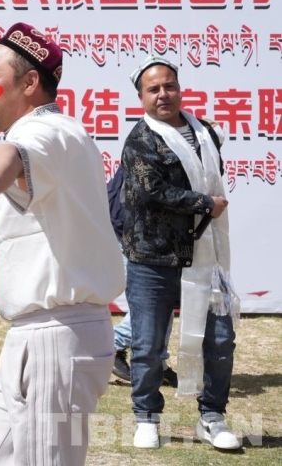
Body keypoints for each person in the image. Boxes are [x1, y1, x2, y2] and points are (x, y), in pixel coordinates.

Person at [0, 22, 125, 466]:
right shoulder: (58, 134)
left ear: (29, 83)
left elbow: (12, 154)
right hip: (39, 336)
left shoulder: (49, 132)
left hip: (56, 336)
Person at [122, 55, 239, 450]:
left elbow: (212, 175)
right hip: (152, 259)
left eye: (169, 85)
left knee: (219, 341)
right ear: (141, 97)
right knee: (148, 347)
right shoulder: (140, 140)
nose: (163, 94)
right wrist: (205, 204)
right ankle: (146, 417)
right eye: (153, 89)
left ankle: (212, 417)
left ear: (180, 89)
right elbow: (151, 192)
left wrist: (208, 204)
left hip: (205, 255)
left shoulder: (203, 131)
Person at [106, 166, 177, 388]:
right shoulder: (155, 151)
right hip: (138, 236)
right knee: (154, 303)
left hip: (142, 233)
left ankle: (158, 362)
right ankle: (113, 344)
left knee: (162, 301)